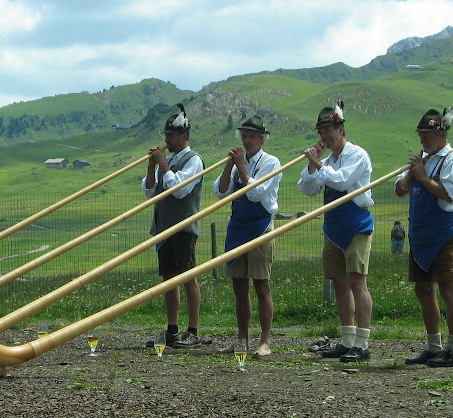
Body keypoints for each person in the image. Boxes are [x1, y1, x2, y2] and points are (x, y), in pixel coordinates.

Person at [298, 101, 374, 363]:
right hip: (333, 226)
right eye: (321, 131)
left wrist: (318, 165)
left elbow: (342, 181)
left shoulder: (357, 155)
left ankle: (362, 344)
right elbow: (306, 189)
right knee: (340, 284)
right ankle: (347, 340)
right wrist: (312, 166)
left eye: (328, 129)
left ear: (341, 129)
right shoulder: (327, 160)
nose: (324, 136)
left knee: (357, 282)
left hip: (356, 224)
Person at [395, 107, 453, 367]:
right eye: (421, 135)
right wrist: (409, 176)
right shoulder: (421, 160)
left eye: (428, 135)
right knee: (423, 289)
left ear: (442, 133)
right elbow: (399, 191)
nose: (423, 140)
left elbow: (449, 194)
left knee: (448, 288)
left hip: (444, 231)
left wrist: (423, 176)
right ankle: (433, 345)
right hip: (420, 233)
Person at [213, 115, 282, 357]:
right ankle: (242, 340)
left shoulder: (271, 162)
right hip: (237, 227)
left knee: (261, 284)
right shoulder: (236, 163)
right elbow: (221, 193)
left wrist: (241, 167)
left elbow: (256, 193)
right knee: (239, 286)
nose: (247, 140)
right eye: (244, 136)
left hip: (260, 227)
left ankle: (265, 341)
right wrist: (229, 166)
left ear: (262, 139)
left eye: (252, 136)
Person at [143, 104, 206, 348]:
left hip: (183, 228)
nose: (167, 140)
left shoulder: (194, 160)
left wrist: (164, 166)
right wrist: (152, 167)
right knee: (168, 279)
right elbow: (150, 191)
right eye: (166, 136)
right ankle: (172, 330)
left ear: (184, 136)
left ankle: (193, 330)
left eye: (171, 135)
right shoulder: (166, 161)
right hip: (164, 227)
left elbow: (180, 191)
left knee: (188, 277)